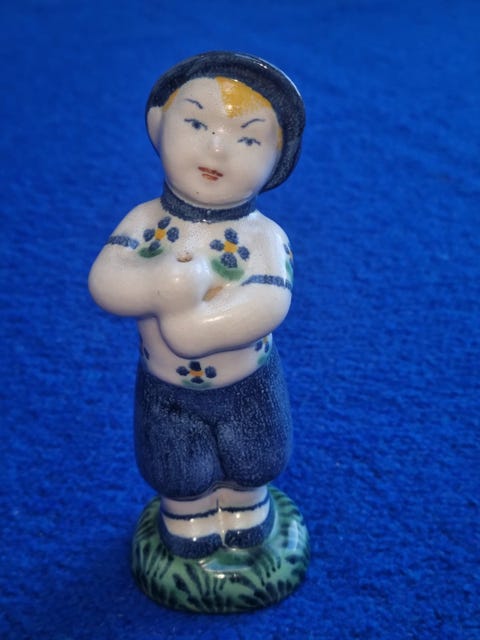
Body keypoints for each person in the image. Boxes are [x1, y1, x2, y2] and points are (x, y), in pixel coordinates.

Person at [89, 51, 305, 559]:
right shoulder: (145, 222)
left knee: (255, 453)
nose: (217, 148)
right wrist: (161, 286)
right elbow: (105, 281)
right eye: (195, 123)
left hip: (247, 382)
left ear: (277, 162)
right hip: (165, 386)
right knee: (175, 460)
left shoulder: (263, 236)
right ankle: (186, 515)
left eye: (248, 139)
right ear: (157, 124)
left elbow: (270, 301)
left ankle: (247, 506)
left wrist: (198, 328)